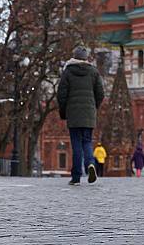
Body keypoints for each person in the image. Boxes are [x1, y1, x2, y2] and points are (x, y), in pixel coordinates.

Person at [57, 45, 104, 186]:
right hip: (89, 113)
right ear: (86, 58)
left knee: (76, 144)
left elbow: (61, 94)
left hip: (73, 114)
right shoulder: (93, 71)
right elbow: (101, 93)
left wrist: (64, 111)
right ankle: (90, 165)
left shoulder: (68, 71)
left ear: (74, 56)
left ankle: (76, 177)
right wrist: (93, 106)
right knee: (87, 142)